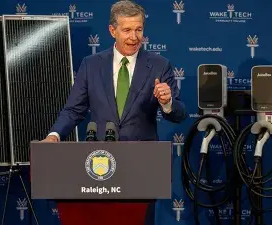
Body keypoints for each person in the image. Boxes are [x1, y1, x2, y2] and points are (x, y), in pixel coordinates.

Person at [41, 0, 187, 224]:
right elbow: (74, 110)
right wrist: (54, 135)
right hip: (99, 166)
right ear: (112, 31)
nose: (134, 37)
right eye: (127, 30)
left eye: (139, 30)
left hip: (142, 167)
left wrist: (167, 103)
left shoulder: (159, 65)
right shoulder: (91, 65)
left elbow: (179, 114)